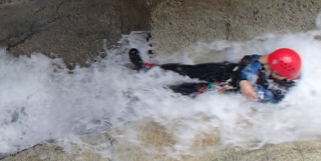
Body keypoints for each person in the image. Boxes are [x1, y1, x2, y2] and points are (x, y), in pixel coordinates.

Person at [128, 47, 302, 103]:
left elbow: (253, 95)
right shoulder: (281, 65)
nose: (267, 67)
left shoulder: (278, 91)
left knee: (179, 91)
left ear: (281, 74)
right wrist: (244, 79)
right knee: (188, 70)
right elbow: (253, 60)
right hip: (229, 72)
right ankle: (146, 68)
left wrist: (242, 84)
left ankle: (139, 96)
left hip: (224, 89)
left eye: (271, 69)